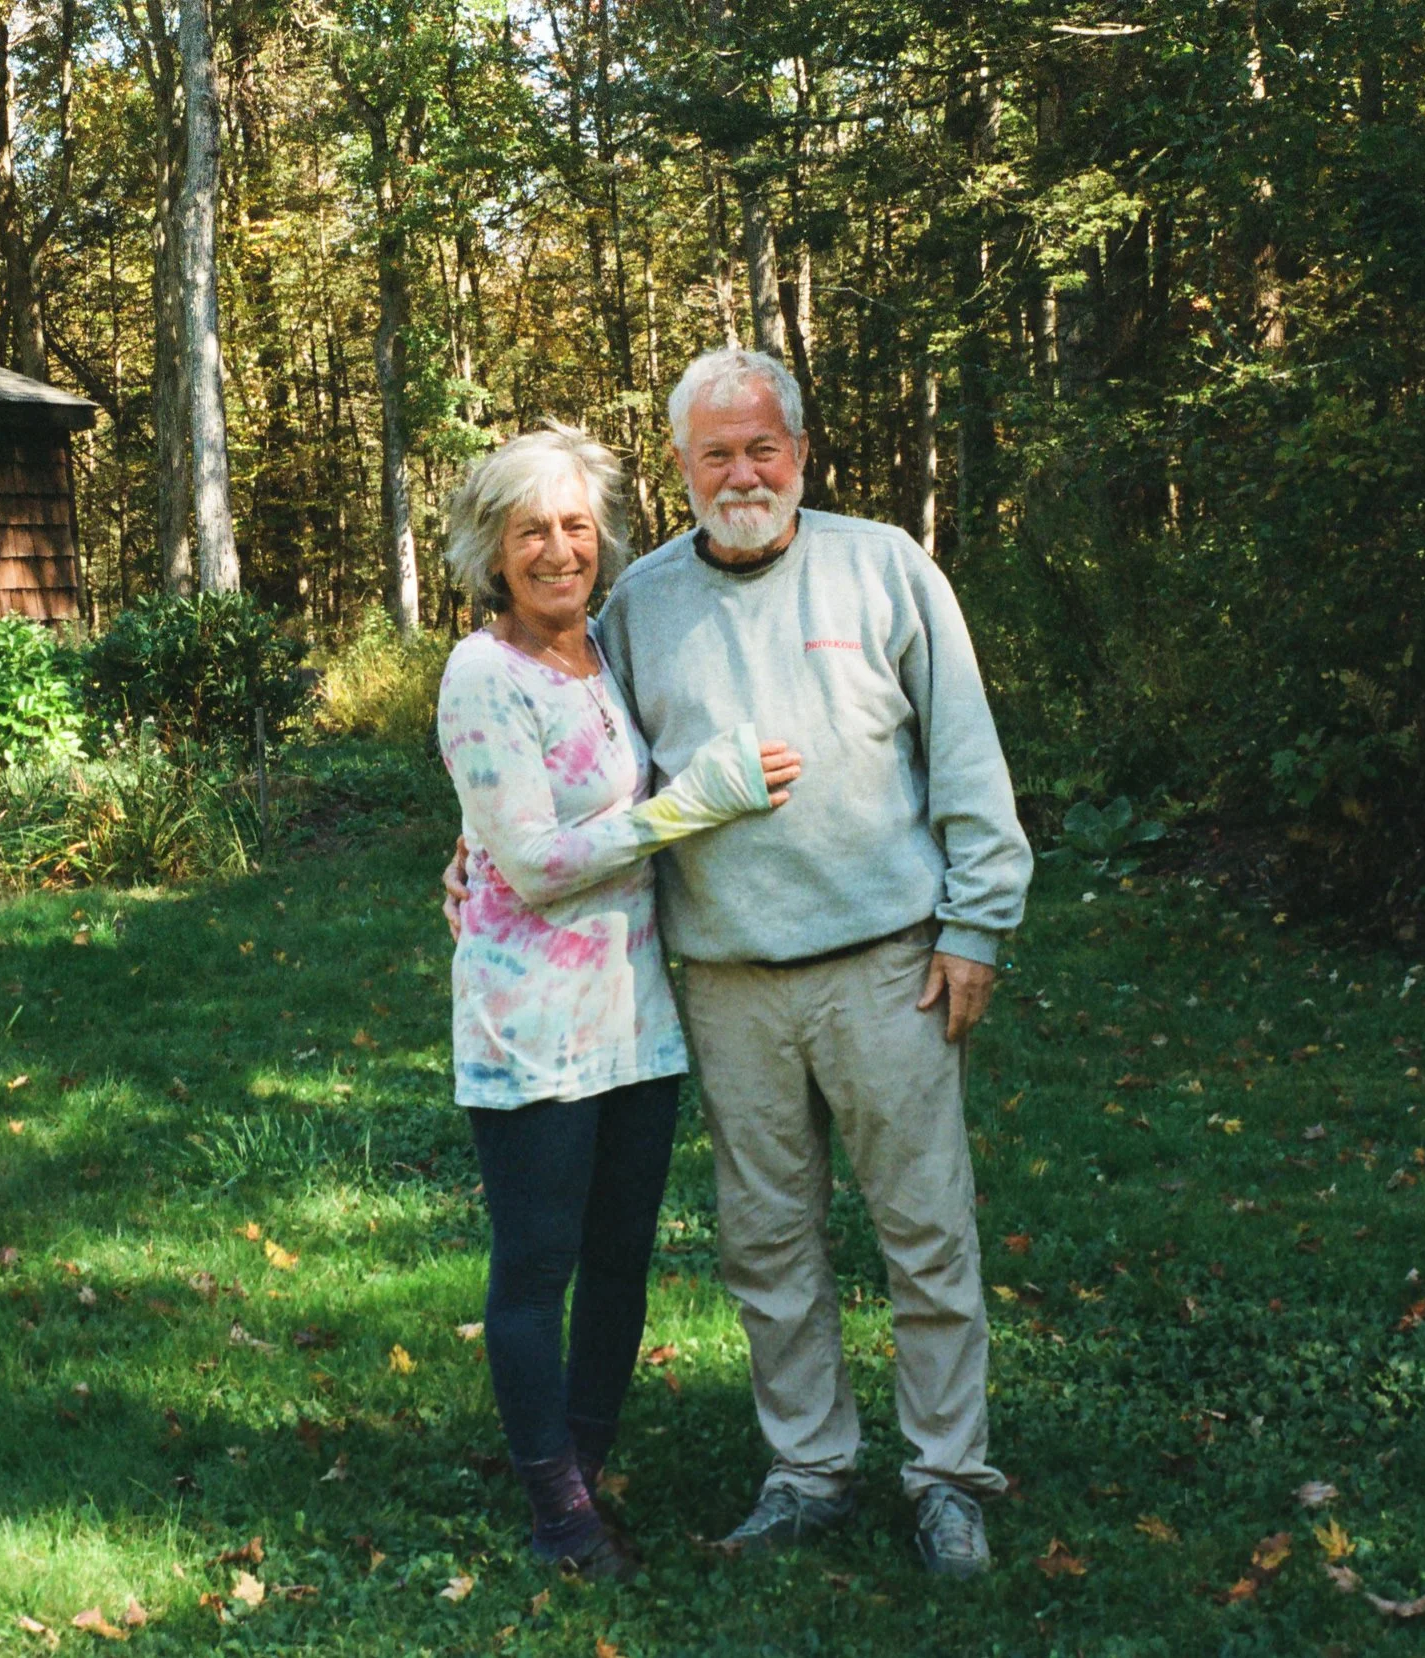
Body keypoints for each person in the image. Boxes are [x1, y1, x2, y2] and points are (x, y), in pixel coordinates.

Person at [444, 350, 1032, 1577]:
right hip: (717, 979)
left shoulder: (883, 567)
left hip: (888, 964)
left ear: (801, 452)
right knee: (770, 1246)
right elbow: (554, 738)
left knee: (924, 1232)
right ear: (681, 467)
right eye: (715, 453)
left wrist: (977, 922)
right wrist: (472, 854)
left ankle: (945, 1477)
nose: (742, 471)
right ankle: (809, 1469)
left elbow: (968, 757)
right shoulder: (637, 603)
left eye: (762, 446)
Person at [434, 423, 803, 1580]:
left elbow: (532, 813)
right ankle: (557, 1513)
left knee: (623, 1259)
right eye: (531, 529)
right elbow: (539, 862)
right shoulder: (481, 670)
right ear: (492, 549)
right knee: (538, 1262)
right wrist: (699, 802)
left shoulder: (598, 646)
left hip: (633, 1013)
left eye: (577, 525)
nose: (558, 549)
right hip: (532, 1021)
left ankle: (580, 1472)